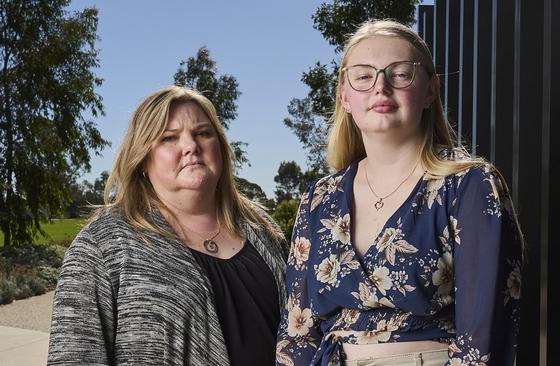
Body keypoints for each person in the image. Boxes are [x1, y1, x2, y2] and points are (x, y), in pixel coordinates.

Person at [276, 20, 524, 366]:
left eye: (401, 73)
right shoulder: (319, 198)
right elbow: (296, 331)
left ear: (430, 91)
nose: (381, 87)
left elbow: (485, 338)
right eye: (363, 76)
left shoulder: (469, 185)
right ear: (344, 97)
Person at [48, 86, 287, 365]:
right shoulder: (102, 246)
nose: (191, 146)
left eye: (203, 133)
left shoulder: (262, 228)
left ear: (220, 147)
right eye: (169, 138)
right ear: (142, 161)